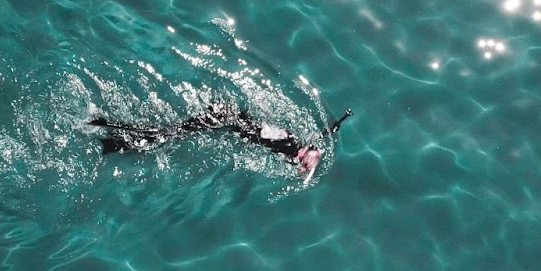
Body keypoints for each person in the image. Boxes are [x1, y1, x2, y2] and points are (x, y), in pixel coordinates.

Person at [88, 102, 352, 181]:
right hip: (223, 120)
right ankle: (115, 141)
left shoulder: (291, 145)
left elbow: (315, 143)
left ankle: (113, 137)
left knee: (167, 133)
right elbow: (311, 149)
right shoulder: (291, 147)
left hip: (227, 119)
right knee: (163, 135)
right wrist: (311, 156)